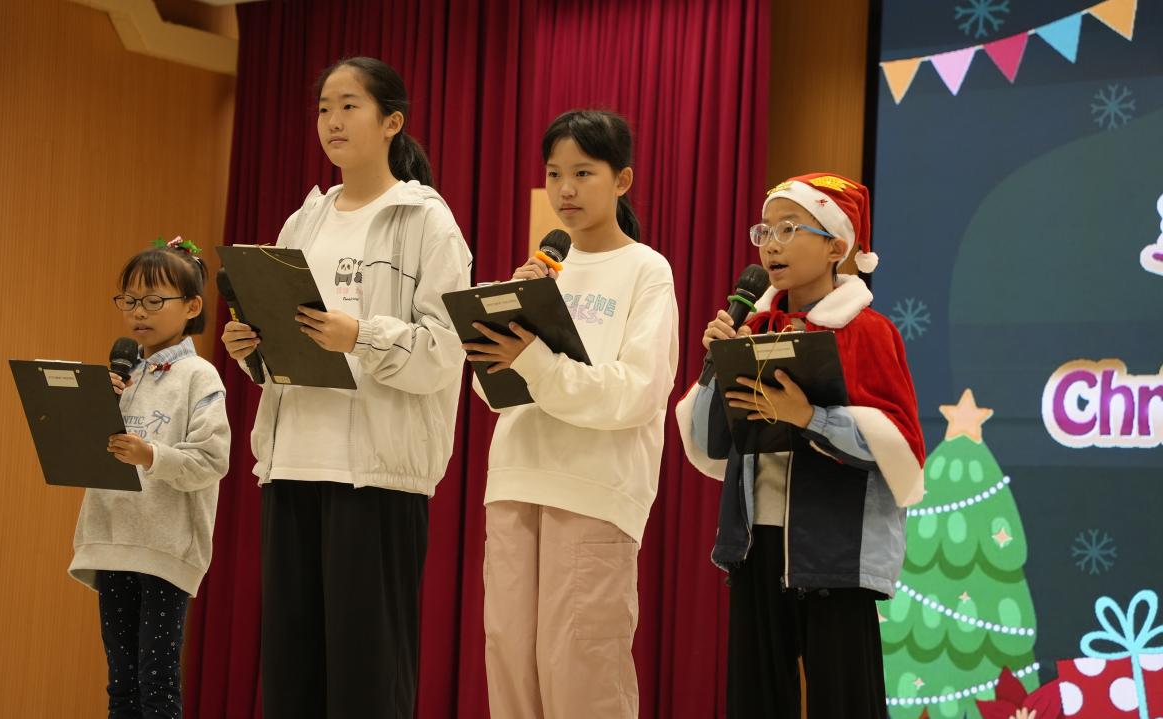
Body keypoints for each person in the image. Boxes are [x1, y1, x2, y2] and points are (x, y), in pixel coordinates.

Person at [219, 57, 471, 718]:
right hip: (291, 464)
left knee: (367, 681)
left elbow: (444, 351)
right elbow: (285, 342)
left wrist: (359, 335)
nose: (332, 120)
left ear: (392, 121)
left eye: (350, 105)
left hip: (377, 477)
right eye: (324, 107)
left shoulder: (426, 221)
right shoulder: (303, 221)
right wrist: (253, 350)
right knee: (291, 679)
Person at [677, 173, 925, 718]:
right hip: (754, 545)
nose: (771, 244)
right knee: (756, 700)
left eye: (790, 229)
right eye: (765, 230)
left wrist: (810, 418)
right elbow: (710, 444)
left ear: (837, 247)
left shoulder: (869, 331)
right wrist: (715, 365)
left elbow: (900, 450)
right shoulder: (752, 327)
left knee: (846, 701)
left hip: (837, 550)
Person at [465, 109, 679, 719]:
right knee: (510, 662)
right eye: (554, 173)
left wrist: (535, 361)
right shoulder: (543, 271)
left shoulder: (646, 269)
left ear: (622, 180)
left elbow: (637, 392)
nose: (565, 189)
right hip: (515, 479)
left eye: (583, 173)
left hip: (594, 487)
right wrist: (506, 319)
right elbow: (489, 389)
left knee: (581, 667)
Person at [70, 237, 230, 719]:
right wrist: (91, 408)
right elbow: (91, 455)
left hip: (164, 546)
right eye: (130, 300)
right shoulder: (123, 375)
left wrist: (150, 455)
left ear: (192, 307)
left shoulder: (200, 376)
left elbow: (211, 461)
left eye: (155, 300)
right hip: (112, 538)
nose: (139, 311)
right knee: (121, 686)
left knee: (156, 684)